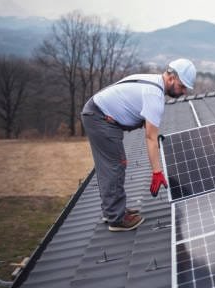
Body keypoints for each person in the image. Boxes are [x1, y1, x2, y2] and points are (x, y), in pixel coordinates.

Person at [81, 59, 196, 231]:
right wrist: (157, 172)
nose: (184, 91)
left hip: (99, 114)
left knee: (111, 165)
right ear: (172, 78)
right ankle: (116, 219)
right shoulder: (154, 95)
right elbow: (150, 137)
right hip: (100, 118)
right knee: (115, 165)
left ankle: (112, 210)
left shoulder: (152, 81)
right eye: (182, 86)